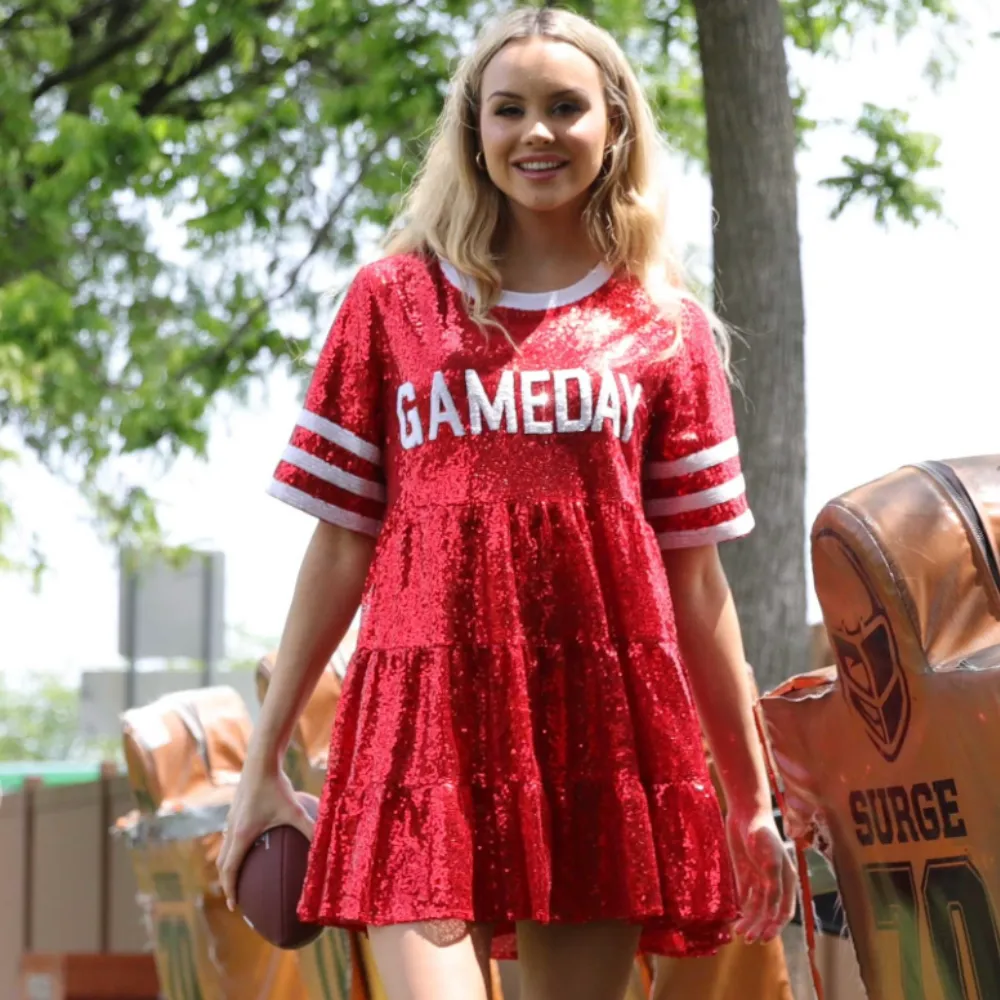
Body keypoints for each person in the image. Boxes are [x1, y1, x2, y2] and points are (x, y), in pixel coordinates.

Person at [217, 8, 797, 1000]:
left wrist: (749, 799)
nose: (536, 131)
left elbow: (697, 584)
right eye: (508, 109)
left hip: (597, 732)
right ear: (472, 133)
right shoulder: (392, 302)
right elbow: (340, 546)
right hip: (422, 723)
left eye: (565, 107)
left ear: (612, 126)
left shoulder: (664, 329)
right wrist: (261, 761)